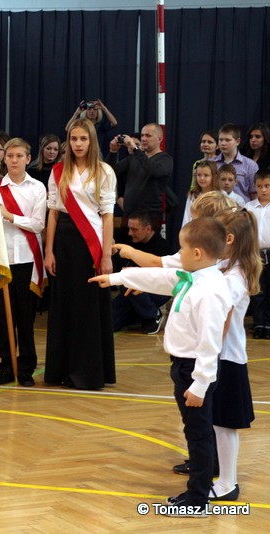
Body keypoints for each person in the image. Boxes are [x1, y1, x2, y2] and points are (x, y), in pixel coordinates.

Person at [91, 216, 232, 514]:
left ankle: (197, 498)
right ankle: (198, 489)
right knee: (195, 430)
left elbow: (210, 344)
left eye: (182, 249)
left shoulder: (209, 291)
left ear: (197, 253)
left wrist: (200, 384)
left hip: (193, 370)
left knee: (198, 433)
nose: (178, 254)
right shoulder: (194, 277)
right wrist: (117, 279)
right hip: (183, 366)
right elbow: (161, 278)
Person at [43, 118, 116, 390]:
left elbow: (107, 215)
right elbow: (53, 212)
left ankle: (88, 373)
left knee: (88, 307)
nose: (78, 144)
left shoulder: (104, 171)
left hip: (91, 245)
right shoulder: (58, 171)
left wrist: (106, 255)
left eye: (83, 139)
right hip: (63, 244)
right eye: (74, 139)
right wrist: (48, 251)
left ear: (91, 141)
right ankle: (62, 370)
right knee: (65, 306)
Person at [206, 208, 262, 501]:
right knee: (218, 422)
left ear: (229, 239)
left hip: (226, 357)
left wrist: (207, 352)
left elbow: (223, 319)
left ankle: (228, 483)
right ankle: (223, 479)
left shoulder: (235, 276)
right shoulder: (227, 266)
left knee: (225, 424)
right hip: (224, 356)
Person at [0, 139, 46, 387]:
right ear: (4, 158)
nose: (14, 160)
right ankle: (6, 367)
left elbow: (38, 224)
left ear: (28, 158)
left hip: (27, 260)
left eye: (19, 155)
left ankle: (26, 369)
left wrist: (9, 216)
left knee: (25, 318)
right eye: (10, 155)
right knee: (3, 319)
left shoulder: (37, 188)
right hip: (2, 260)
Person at [111, 210, 170, 334]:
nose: (130, 233)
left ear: (148, 229)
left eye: (134, 229)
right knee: (109, 323)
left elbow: (164, 278)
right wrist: (114, 253)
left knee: (130, 279)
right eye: (129, 228)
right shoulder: (128, 238)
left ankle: (152, 314)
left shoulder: (162, 247)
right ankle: (143, 314)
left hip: (157, 290)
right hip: (131, 291)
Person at [107, 123, 173, 228]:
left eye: (148, 136)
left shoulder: (165, 159)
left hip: (149, 218)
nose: (144, 139)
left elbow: (153, 170)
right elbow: (111, 172)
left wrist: (135, 149)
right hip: (129, 216)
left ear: (159, 139)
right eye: (142, 135)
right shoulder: (134, 158)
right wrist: (113, 152)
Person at [245, 169, 270, 339]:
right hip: (255, 253)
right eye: (260, 186)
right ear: (255, 186)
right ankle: (259, 324)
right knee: (258, 290)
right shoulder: (249, 207)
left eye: (267, 186)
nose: (264, 190)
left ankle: (269, 324)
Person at [213, 123, 259, 203]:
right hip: (216, 208)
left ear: (237, 141)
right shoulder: (211, 163)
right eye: (221, 140)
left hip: (242, 208)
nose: (223, 143)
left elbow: (254, 194)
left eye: (227, 140)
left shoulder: (251, 165)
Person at [181, 160, 221, 227]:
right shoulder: (193, 195)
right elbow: (187, 218)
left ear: (214, 176)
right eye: (199, 175)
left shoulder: (221, 195)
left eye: (206, 175)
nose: (202, 178)